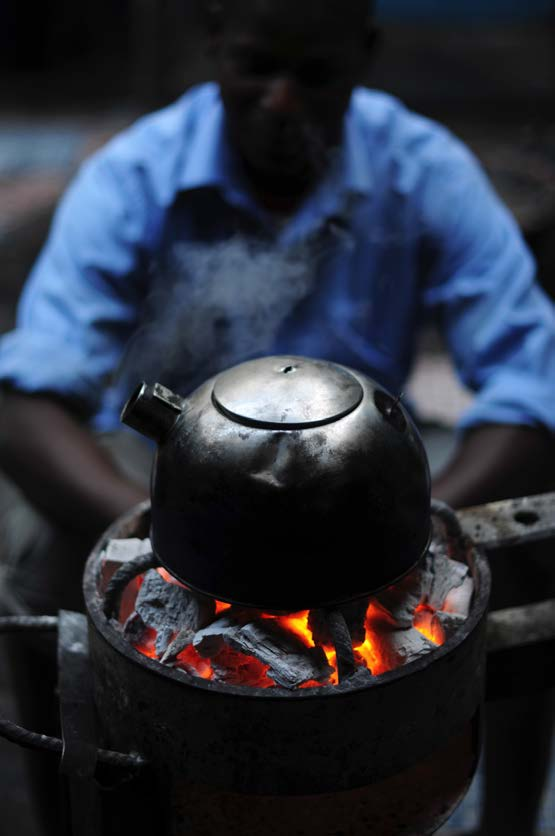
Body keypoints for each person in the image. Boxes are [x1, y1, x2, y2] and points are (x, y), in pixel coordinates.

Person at [0, 1, 554, 834]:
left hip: (373, 465)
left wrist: (419, 519)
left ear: (363, 56)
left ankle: (507, 820)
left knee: (524, 571)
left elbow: (531, 380)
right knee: (43, 567)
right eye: (256, 67)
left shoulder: (420, 167)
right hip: (173, 477)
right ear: (213, 43)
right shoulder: (138, 173)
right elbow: (24, 394)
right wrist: (158, 532)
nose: (282, 101)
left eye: (315, 74)